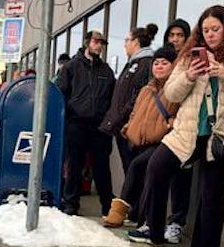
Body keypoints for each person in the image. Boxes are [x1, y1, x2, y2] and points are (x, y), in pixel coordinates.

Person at [132, 5, 224, 247]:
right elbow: (171, 91)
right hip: (187, 132)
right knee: (156, 168)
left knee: (212, 199)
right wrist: (190, 75)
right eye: (205, 30)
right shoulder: (189, 56)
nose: (210, 35)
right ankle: (155, 232)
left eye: (215, 29)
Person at [102, 45, 178, 227]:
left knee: (137, 168)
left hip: (163, 141)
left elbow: (182, 112)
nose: (159, 66)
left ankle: (119, 212)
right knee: (141, 178)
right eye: (156, 63)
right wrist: (128, 129)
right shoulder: (146, 89)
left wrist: (170, 124)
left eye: (164, 63)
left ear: (174, 66)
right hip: (139, 141)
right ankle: (138, 218)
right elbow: (136, 113)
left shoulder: (176, 89)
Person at [55, 30, 116, 216]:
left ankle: (108, 206)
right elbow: (59, 94)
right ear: (87, 42)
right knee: (74, 165)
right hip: (76, 124)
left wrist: (108, 122)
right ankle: (71, 203)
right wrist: (67, 118)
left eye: (102, 43)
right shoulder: (72, 67)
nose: (99, 46)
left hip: (99, 127)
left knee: (102, 168)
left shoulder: (106, 71)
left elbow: (112, 98)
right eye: (96, 42)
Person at [100, 23, 160, 175]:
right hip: (124, 127)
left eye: (127, 40)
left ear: (136, 42)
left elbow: (142, 95)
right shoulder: (132, 64)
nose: (125, 44)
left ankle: (135, 199)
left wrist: (123, 117)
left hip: (134, 128)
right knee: (129, 169)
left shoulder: (147, 64)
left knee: (135, 170)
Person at [162, 18, 192, 244]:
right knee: (155, 174)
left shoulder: (191, 60)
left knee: (182, 178)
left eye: (179, 35)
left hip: (184, 129)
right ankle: (152, 220)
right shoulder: (161, 59)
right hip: (160, 128)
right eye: (171, 35)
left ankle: (176, 223)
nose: (175, 39)